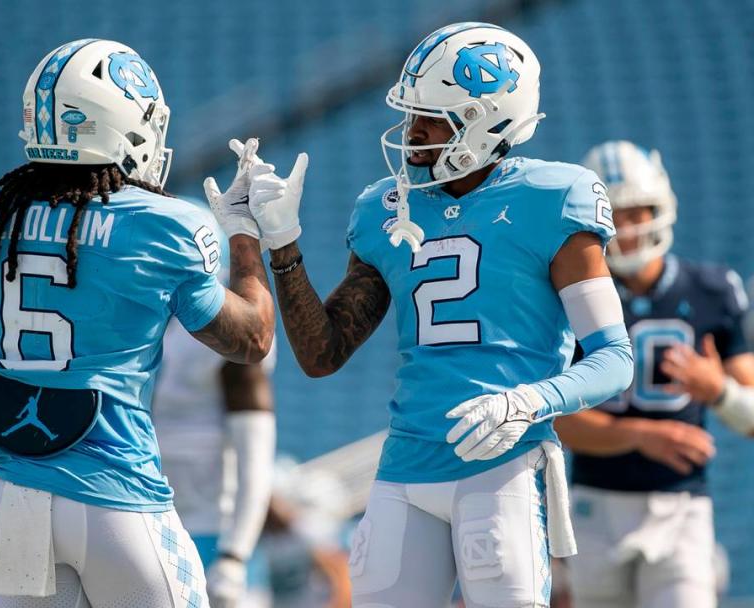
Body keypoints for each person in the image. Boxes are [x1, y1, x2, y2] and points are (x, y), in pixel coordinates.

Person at [219, 22, 635, 606]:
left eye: (431, 118)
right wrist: (282, 241)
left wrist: (530, 400)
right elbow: (320, 353)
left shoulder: (554, 196)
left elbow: (615, 361)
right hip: (407, 464)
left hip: (504, 460)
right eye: (411, 114)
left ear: (490, 118)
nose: (411, 133)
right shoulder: (385, 208)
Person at [0, 39, 275, 607]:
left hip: (12, 503)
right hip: (118, 499)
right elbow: (252, 339)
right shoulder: (162, 226)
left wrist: (20, 406)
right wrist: (246, 233)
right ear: (123, 128)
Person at [554, 140, 754, 608]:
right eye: (614, 215)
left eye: (637, 212)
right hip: (593, 505)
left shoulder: (713, 291)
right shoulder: (568, 300)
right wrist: (642, 435)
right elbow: (556, 420)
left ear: (659, 208)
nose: (626, 228)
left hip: (679, 507)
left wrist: (718, 390)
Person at [153, 317, 276, 608]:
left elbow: (257, 458)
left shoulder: (225, 317)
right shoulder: (142, 308)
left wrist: (235, 554)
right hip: (153, 525)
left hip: (213, 533)